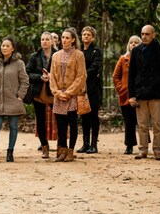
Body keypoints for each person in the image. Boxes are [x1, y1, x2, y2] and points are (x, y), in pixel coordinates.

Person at [128, 25, 160, 160]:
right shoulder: (136, 51)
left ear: (154, 35)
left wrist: (158, 80)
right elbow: (131, 75)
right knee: (142, 124)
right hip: (140, 93)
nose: (144, 36)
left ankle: (158, 150)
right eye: (142, 34)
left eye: (147, 34)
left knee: (157, 124)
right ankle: (142, 150)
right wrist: (131, 95)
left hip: (156, 93)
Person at [0, 36, 29, 163]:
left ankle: (10, 153)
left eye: (7, 46)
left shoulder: (19, 63)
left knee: (13, 126)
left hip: (13, 99)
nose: (4, 48)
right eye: (3, 45)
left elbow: (25, 80)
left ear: (13, 49)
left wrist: (20, 95)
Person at [49, 28, 87, 162]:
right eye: (63, 38)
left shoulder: (79, 55)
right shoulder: (56, 55)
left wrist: (69, 93)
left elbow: (81, 76)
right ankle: (62, 150)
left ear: (73, 40)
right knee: (61, 125)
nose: (64, 40)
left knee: (72, 123)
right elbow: (52, 76)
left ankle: (71, 151)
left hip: (72, 95)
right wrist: (57, 93)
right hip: (59, 95)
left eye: (67, 38)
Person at [26, 32, 57, 158]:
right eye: (42, 39)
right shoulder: (35, 56)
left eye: (47, 39)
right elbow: (27, 73)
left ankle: (62, 147)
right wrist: (40, 77)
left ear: (51, 41)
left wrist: (51, 77)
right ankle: (44, 146)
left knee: (60, 120)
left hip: (54, 92)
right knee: (40, 120)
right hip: (38, 92)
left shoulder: (58, 55)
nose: (44, 41)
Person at [112, 35, 142, 155]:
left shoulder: (143, 59)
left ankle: (144, 144)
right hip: (126, 96)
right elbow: (115, 76)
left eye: (136, 42)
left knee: (142, 122)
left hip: (140, 95)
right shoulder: (122, 59)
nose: (133, 44)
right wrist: (121, 89)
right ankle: (129, 146)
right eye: (131, 42)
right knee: (129, 122)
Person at [77, 26, 103, 154]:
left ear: (92, 37)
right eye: (84, 34)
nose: (86, 36)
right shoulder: (79, 51)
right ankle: (85, 143)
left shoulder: (97, 51)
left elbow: (95, 67)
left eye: (88, 35)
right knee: (84, 116)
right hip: (81, 88)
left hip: (93, 88)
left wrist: (82, 76)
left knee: (93, 116)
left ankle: (94, 144)